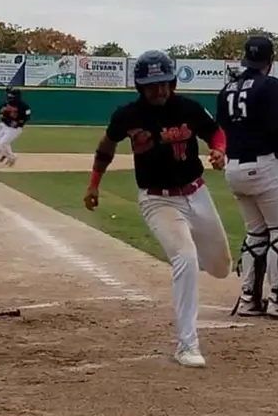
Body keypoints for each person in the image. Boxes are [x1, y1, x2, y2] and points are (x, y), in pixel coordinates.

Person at [83, 49, 232, 368]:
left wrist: (219, 151)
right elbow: (106, 147)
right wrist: (94, 184)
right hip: (157, 199)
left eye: (164, 83)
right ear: (140, 85)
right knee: (185, 258)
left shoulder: (187, 108)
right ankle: (187, 345)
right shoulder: (127, 115)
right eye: (152, 85)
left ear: (173, 82)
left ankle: (198, 258)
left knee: (221, 268)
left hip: (197, 193)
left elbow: (216, 132)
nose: (160, 90)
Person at [216, 36, 278, 320]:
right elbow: (276, 129)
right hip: (264, 166)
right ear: (270, 62)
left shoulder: (227, 89)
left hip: (234, 168)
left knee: (256, 234)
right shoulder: (270, 85)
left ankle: (249, 300)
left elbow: (223, 126)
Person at [0, 86, 31, 168]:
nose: (9, 97)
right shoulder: (5, 103)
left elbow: (27, 117)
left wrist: (18, 122)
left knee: (3, 143)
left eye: (11, 96)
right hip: (3, 125)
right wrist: (2, 116)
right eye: (9, 96)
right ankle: (11, 156)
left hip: (14, 129)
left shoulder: (24, 106)